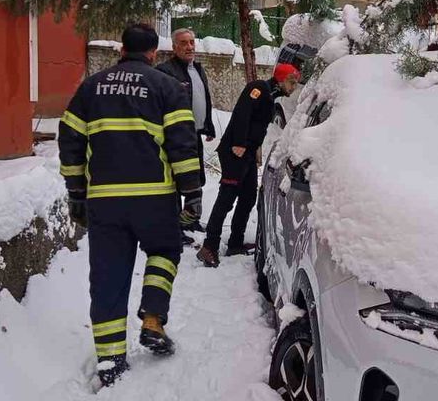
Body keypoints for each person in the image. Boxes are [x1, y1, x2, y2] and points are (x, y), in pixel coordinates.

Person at [58, 23, 203, 387]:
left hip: (105, 200)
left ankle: (110, 358)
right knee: (165, 250)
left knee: (108, 274)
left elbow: (70, 138)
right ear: (154, 52)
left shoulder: (91, 87)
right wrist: (192, 191)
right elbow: (182, 143)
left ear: (122, 48)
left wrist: (76, 191)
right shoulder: (167, 87)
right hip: (154, 197)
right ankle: (153, 318)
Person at [196, 63, 300, 268]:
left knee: (248, 197)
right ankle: (209, 246)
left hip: (248, 154)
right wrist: (239, 144)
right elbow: (242, 114)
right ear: (280, 79)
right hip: (236, 152)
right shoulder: (259, 88)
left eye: (295, 82)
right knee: (227, 198)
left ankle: (236, 242)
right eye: (291, 81)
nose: (294, 86)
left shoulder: (270, 96)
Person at [156, 28, 216, 243]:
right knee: (176, 182)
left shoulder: (197, 69)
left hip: (195, 135)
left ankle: (189, 219)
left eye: (192, 42)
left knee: (196, 179)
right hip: (175, 139)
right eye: (184, 43)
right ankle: (173, 229)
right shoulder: (165, 71)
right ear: (174, 47)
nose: (190, 46)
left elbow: (203, 99)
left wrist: (208, 126)